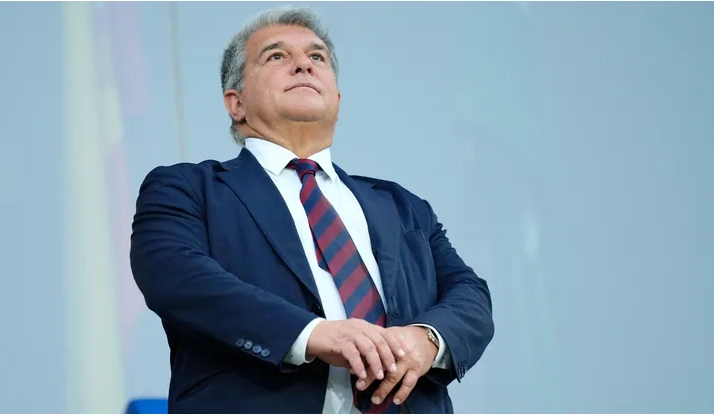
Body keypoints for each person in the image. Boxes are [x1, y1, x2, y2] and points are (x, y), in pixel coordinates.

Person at [130, 5, 494, 414]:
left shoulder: (402, 205)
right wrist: (312, 334)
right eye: (276, 55)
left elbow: (470, 294)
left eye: (317, 57)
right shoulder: (187, 189)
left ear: (336, 97)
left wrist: (426, 339)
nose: (303, 64)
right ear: (236, 103)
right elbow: (176, 276)